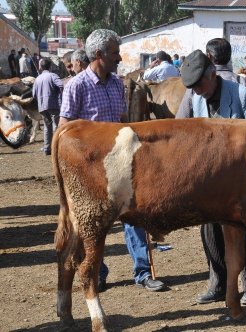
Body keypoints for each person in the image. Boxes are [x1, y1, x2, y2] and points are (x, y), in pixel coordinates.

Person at [59, 29, 165, 293]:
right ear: (99, 55)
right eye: (115, 53)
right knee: (94, 223)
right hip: (90, 168)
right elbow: (64, 129)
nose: (119, 58)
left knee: (134, 216)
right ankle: (98, 272)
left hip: (120, 162)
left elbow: (121, 123)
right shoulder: (76, 86)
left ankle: (143, 272)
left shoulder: (118, 84)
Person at [176, 49, 246, 305]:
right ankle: (218, 283)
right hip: (210, 180)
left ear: (213, 74)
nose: (196, 91)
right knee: (210, 231)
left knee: (244, 229)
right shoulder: (196, 98)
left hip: (240, 180)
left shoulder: (241, 93)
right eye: (191, 87)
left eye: (199, 85)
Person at [32, 58, 63, 155]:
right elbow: (61, 85)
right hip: (54, 105)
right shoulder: (53, 76)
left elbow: (34, 95)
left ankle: (47, 148)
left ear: (41, 67)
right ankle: (56, 148)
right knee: (56, 126)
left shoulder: (37, 79)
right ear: (50, 66)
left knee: (47, 127)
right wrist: (60, 95)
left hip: (42, 106)